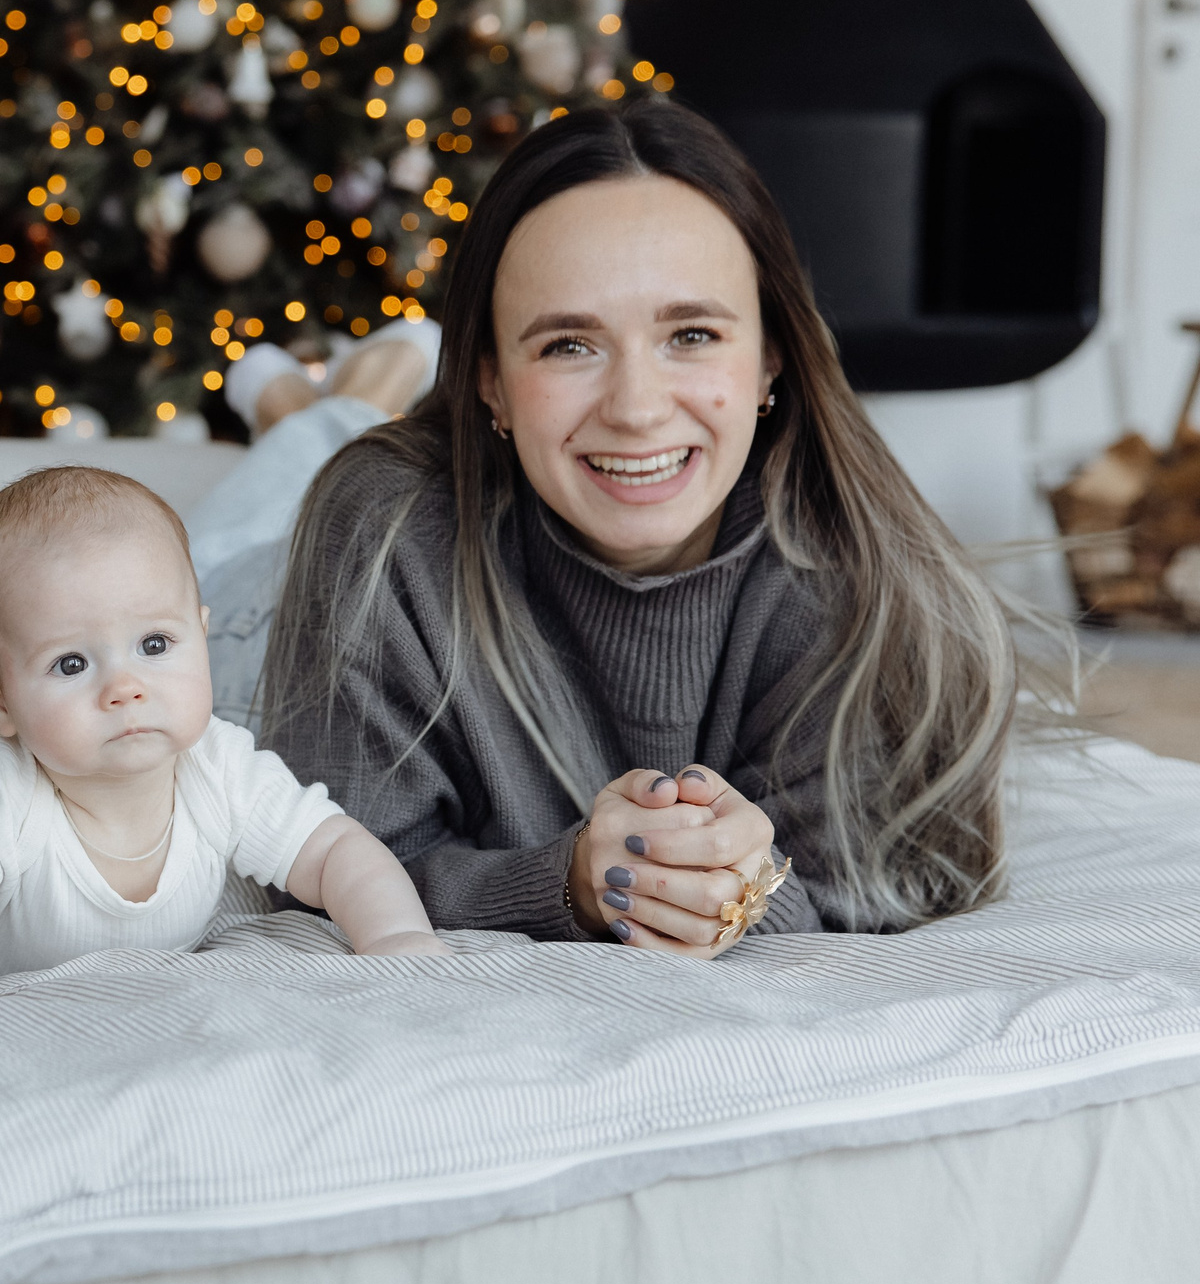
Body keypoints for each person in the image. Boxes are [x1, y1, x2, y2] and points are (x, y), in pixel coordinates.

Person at [232, 97, 1026, 953]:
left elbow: (868, 891)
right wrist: (568, 885)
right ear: (489, 380)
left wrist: (735, 894)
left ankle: (349, 384)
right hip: (230, 609)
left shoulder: (848, 569)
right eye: (568, 345)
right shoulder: (382, 527)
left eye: (691, 333)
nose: (639, 411)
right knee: (298, 458)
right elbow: (323, 874)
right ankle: (323, 391)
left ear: (770, 359)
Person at [0, 467, 446, 995]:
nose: (124, 688)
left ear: (202, 635)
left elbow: (335, 849)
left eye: (155, 645)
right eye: (72, 664)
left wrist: (393, 935)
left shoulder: (219, 766)